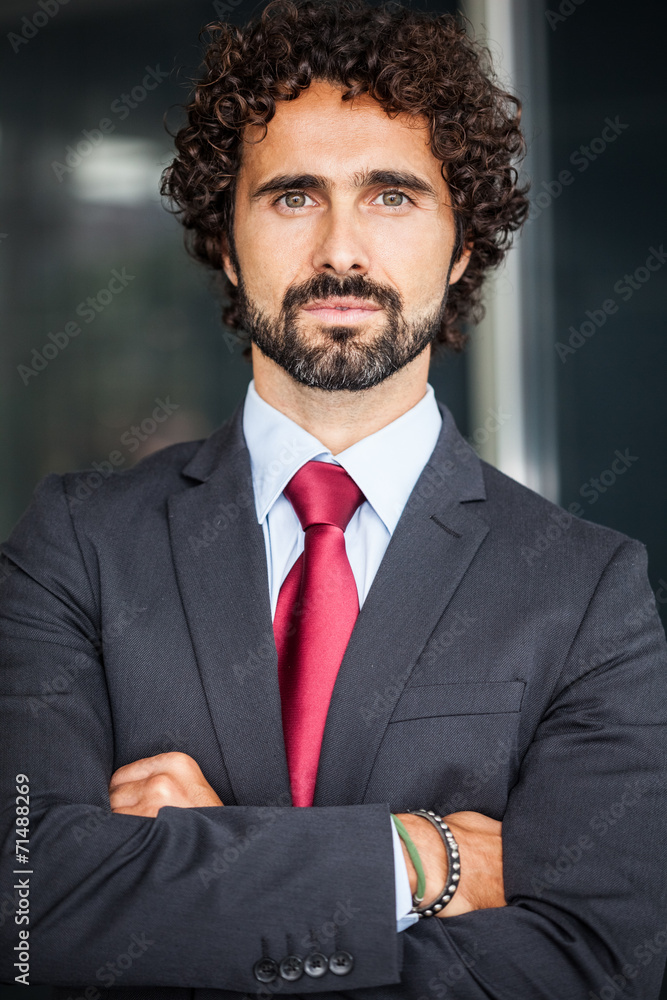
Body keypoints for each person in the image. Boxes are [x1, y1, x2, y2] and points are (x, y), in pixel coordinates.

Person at [1, 0, 666, 997]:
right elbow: (27, 906)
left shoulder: (587, 592)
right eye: (293, 196)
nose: (341, 252)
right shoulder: (78, 545)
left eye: (392, 196)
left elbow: (597, 961)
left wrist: (198, 875)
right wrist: (423, 861)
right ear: (225, 242)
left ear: (460, 245)